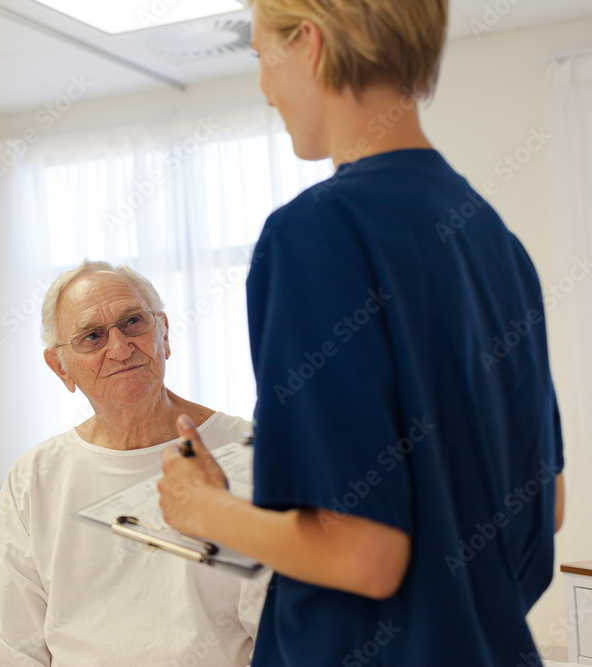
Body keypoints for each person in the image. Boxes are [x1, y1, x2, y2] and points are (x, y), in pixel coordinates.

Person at [157, 1, 566, 665]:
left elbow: (366, 555)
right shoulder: (497, 243)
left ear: (310, 44)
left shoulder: (314, 234)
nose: (263, 87)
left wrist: (202, 509)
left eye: (262, 56)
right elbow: (544, 508)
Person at [0, 260, 269, 666]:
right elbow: (7, 644)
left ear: (163, 332)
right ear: (61, 368)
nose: (120, 347)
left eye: (132, 322)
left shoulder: (250, 452)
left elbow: (279, 630)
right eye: (92, 337)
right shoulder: (34, 477)